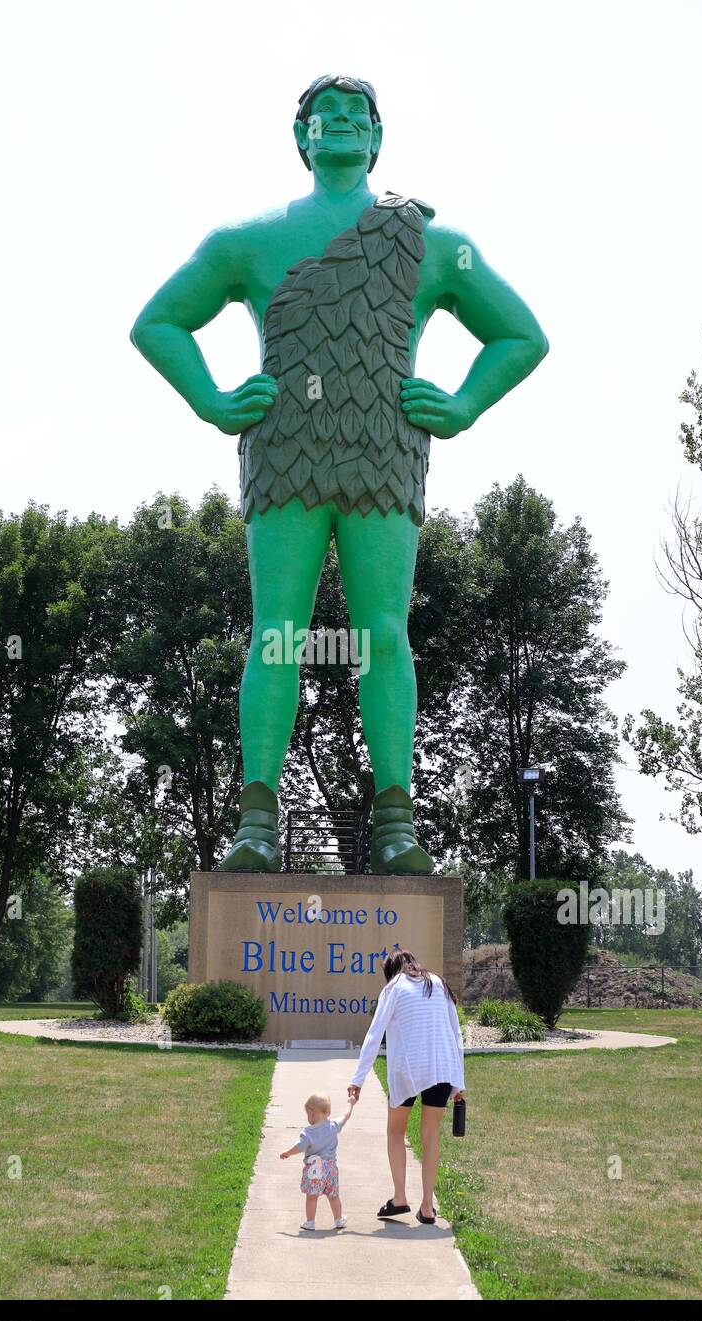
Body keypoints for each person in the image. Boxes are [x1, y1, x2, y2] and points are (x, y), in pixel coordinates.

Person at [130, 74, 548, 874]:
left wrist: (463, 404)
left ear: (379, 138)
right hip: (283, 449)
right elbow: (157, 322)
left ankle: (396, 818)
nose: (345, 125)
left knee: (383, 636)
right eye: (328, 117)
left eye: (360, 116)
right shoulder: (244, 241)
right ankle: (256, 818)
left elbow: (521, 335)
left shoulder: (429, 240)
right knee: (277, 636)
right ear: (302, 136)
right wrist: (213, 401)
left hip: (384, 454)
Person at [347, 949, 464, 1224]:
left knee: (395, 1130)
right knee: (430, 1135)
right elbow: (455, 1032)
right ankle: (426, 1207)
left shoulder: (393, 987)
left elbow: (375, 1034)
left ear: (391, 971)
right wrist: (460, 1081)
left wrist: (358, 1079)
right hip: (443, 1067)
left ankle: (400, 1198)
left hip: (409, 1068)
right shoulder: (438, 982)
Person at [280, 1089, 357, 1231]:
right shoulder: (333, 1126)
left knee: (312, 1196)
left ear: (311, 1112)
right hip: (331, 1169)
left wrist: (288, 1153)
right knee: (333, 1196)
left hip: (315, 1169)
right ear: (327, 1112)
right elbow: (346, 1115)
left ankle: (310, 1222)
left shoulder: (307, 1133)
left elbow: (300, 1147)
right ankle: (339, 1219)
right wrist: (350, 1103)